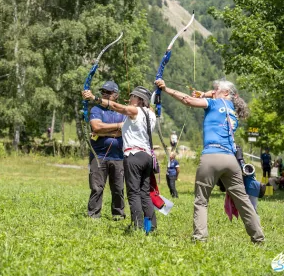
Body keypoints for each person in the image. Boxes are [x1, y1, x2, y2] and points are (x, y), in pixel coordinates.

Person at [154, 79, 264, 243]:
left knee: (201, 200)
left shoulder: (213, 103)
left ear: (225, 93)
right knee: (243, 201)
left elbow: (187, 100)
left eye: (216, 89)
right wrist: (204, 93)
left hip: (211, 156)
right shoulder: (233, 109)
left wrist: (166, 89)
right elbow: (210, 95)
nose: (213, 91)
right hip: (230, 160)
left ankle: (199, 237)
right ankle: (259, 237)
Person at [83, 85, 157, 232]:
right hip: (147, 156)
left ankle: (137, 227)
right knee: (144, 194)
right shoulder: (151, 113)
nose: (129, 99)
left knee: (133, 193)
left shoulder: (134, 111)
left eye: (132, 97)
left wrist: (94, 98)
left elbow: (118, 107)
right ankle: (150, 228)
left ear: (139, 100)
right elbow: (97, 128)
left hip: (133, 156)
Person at [87, 81, 126, 220]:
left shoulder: (123, 111)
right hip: (99, 155)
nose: (104, 95)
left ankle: (118, 215)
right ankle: (93, 216)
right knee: (97, 187)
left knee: (118, 189)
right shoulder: (96, 109)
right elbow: (96, 127)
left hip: (119, 157)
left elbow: (126, 131)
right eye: (103, 92)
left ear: (116, 95)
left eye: (108, 93)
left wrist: (105, 131)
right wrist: (117, 126)